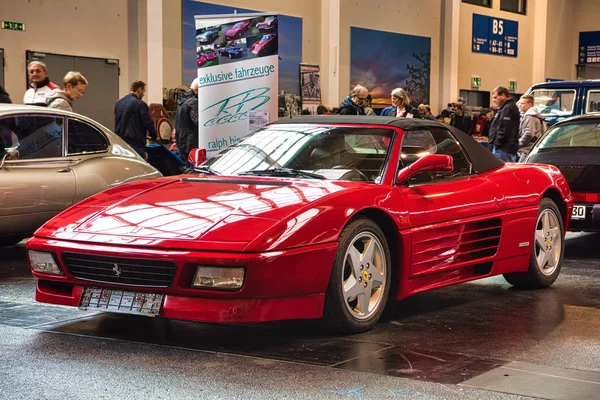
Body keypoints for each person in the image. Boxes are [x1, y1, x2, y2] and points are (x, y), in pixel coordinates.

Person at [114, 80, 158, 160]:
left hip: (120, 142)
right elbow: (148, 123)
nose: (143, 94)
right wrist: (154, 135)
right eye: (143, 91)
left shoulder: (118, 103)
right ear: (139, 90)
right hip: (135, 142)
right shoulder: (140, 104)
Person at [488, 86, 520, 162]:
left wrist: (497, 144)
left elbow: (504, 129)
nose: (493, 100)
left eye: (495, 97)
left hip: (504, 149)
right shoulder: (505, 108)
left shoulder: (508, 108)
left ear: (503, 95)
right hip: (503, 148)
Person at [175, 78, 199, 166]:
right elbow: (197, 121)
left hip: (181, 141)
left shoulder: (182, 102)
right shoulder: (193, 102)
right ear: (196, 91)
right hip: (191, 143)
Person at [517, 95, 544, 162]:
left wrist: (519, 143)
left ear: (529, 104)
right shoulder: (534, 115)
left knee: (521, 168)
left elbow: (529, 133)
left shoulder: (529, 116)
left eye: (522, 103)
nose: (520, 105)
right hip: (531, 146)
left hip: (527, 148)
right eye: (520, 103)